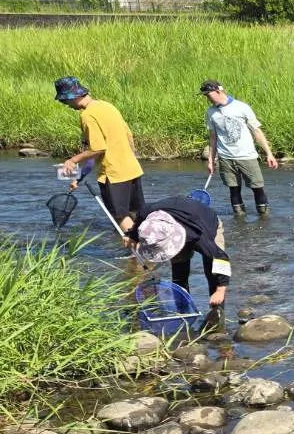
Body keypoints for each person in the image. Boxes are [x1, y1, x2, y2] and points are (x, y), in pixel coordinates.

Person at [55, 77, 145, 224]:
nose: (66, 105)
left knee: (120, 217)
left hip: (114, 175)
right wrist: (79, 178)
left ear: (74, 97)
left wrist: (72, 160)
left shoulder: (87, 115)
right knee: (137, 214)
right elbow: (128, 136)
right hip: (132, 169)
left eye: (65, 101)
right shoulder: (107, 106)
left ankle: (132, 246)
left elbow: (98, 149)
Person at [121, 197, 232, 310]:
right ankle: (183, 309)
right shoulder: (148, 214)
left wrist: (220, 290)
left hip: (205, 222)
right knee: (179, 270)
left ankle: (217, 311)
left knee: (212, 270)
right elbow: (140, 215)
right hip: (178, 217)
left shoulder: (200, 238)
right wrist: (132, 236)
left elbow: (221, 257)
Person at [201, 80, 278, 216]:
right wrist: (211, 161)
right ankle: (239, 219)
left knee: (257, 188)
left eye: (208, 95)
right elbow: (213, 137)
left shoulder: (241, 107)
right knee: (234, 190)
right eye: (205, 96)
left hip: (247, 156)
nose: (207, 98)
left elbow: (257, 131)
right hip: (226, 158)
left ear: (218, 91)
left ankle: (264, 219)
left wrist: (269, 154)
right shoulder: (211, 112)